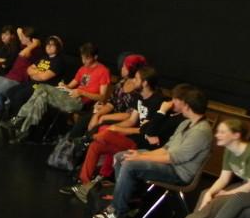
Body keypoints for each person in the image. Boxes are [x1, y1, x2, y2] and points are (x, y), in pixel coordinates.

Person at [93, 84, 213, 218]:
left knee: (130, 164)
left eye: (176, 100)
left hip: (178, 173)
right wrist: (138, 154)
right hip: (170, 164)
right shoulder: (186, 123)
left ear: (186, 105)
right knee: (122, 156)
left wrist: (140, 157)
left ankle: (118, 213)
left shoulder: (201, 131)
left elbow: (172, 158)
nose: (172, 102)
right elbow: (166, 148)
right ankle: (131, 202)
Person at [155, 118, 250, 218]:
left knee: (221, 199)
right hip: (249, 187)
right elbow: (224, 178)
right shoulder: (230, 150)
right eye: (218, 132)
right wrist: (211, 193)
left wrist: (226, 193)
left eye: (222, 132)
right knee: (205, 193)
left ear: (236, 135)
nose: (217, 135)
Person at [66, 66, 173, 202]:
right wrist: (113, 127)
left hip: (142, 143)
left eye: (137, 79)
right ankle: (85, 184)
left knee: (106, 134)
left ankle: (86, 139)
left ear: (145, 83)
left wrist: (115, 130)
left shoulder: (158, 101)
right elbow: (132, 120)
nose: (133, 81)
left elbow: (144, 131)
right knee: (96, 146)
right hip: (132, 138)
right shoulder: (140, 97)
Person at [1, 42, 111, 143]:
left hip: (80, 103)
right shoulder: (82, 69)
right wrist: (64, 86)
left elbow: (102, 97)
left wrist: (82, 93)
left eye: (87, 58)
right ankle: (25, 130)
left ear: (95, 57)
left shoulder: (103, 71)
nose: (84, 61)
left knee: (42, 88)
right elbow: (71, 85)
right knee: (41, 96)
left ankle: (20, 120)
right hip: (69, 95)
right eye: (82, 57)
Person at [0, 26, 42, 118]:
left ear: (29, 39)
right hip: (9, 76)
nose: (21, 38)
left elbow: (22, 54)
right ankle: (1, 106)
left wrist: (34, 45)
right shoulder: (25, 45)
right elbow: (19, 30)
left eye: (23, 37)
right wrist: (23, 35)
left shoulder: (35, 50)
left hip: (18, 79)